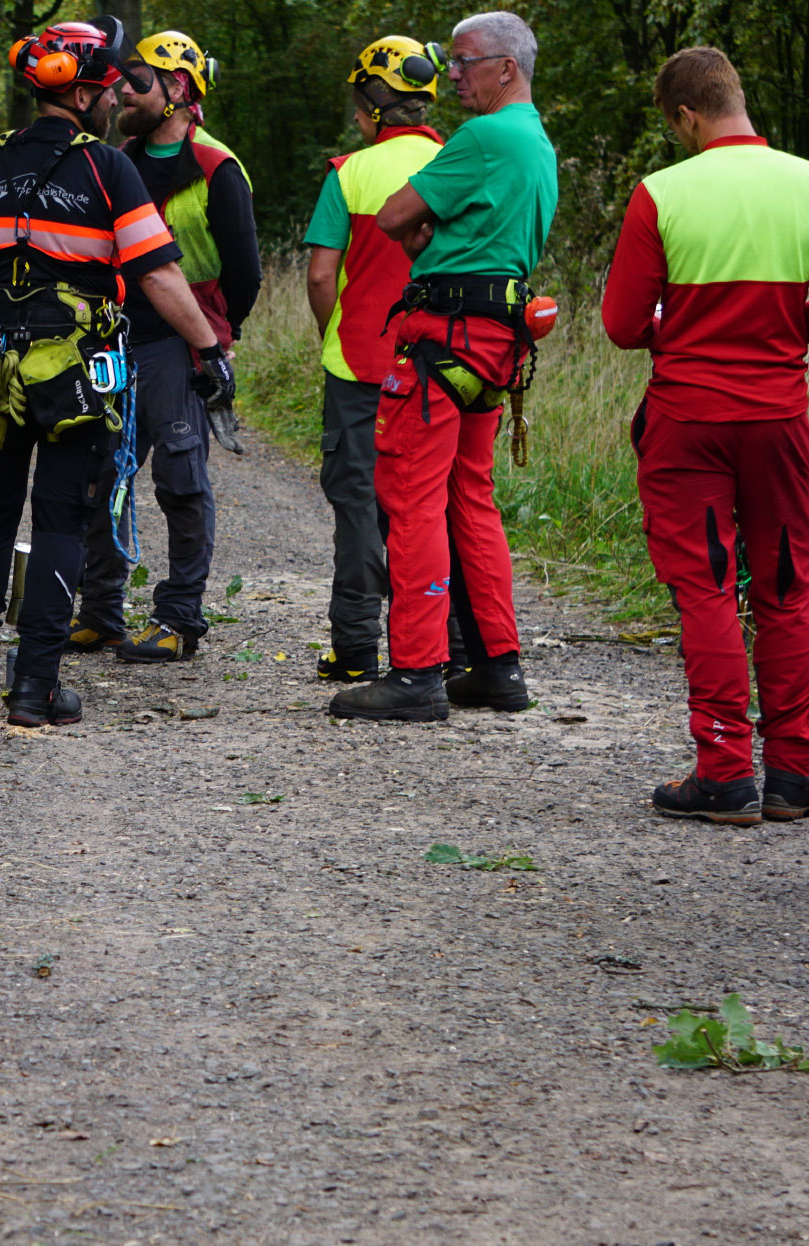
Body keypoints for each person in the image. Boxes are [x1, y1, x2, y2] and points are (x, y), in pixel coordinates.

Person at [0, 16, 233, 727]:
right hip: (74, 379)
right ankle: (35, 687)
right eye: (109, 89)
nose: (116, 98)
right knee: (62, 520)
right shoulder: (108, 168)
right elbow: (157, 274)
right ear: (85, 94)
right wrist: (208, 349)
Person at [327, 11, 557, 722]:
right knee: (470, 497)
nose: (451, 75)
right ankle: (497, 666)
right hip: (496, 343)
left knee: (411, 498)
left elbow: (395, 217)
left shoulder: (483, 136)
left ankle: (417, 673)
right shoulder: (537, 142)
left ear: (507, 68)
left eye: (464, 61)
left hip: (443, 337)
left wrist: (427, 231)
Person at [602, 47, 809, 824]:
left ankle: (724, 773)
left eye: (674, 124)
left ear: (687, 115)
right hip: (782, 418)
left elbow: (624, 324)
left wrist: (680, 326)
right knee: (788, 587)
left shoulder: (662, 193)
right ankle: (794, 774)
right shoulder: (804, 182)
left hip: (689, 421)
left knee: (706, 586)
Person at [70, 29, 261, 663]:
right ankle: (100, 612)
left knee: (181, 480)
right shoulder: (115, 160)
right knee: (101, 474)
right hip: (113, 339)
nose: (123, 90)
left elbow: (245, 273)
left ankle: (179, 618)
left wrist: (214, 337)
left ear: (177, 87)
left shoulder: (216, 167)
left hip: (177, 349)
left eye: (139, 80)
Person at [302, 38, 447, 683]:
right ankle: (447, 646)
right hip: (441, 362)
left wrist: (333, 329)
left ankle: (357, 648)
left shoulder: (349, 173)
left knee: (359, 503)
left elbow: (319, 275)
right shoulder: (455, 164)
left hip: (359, 365)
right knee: (434, 503)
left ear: (373, 107)